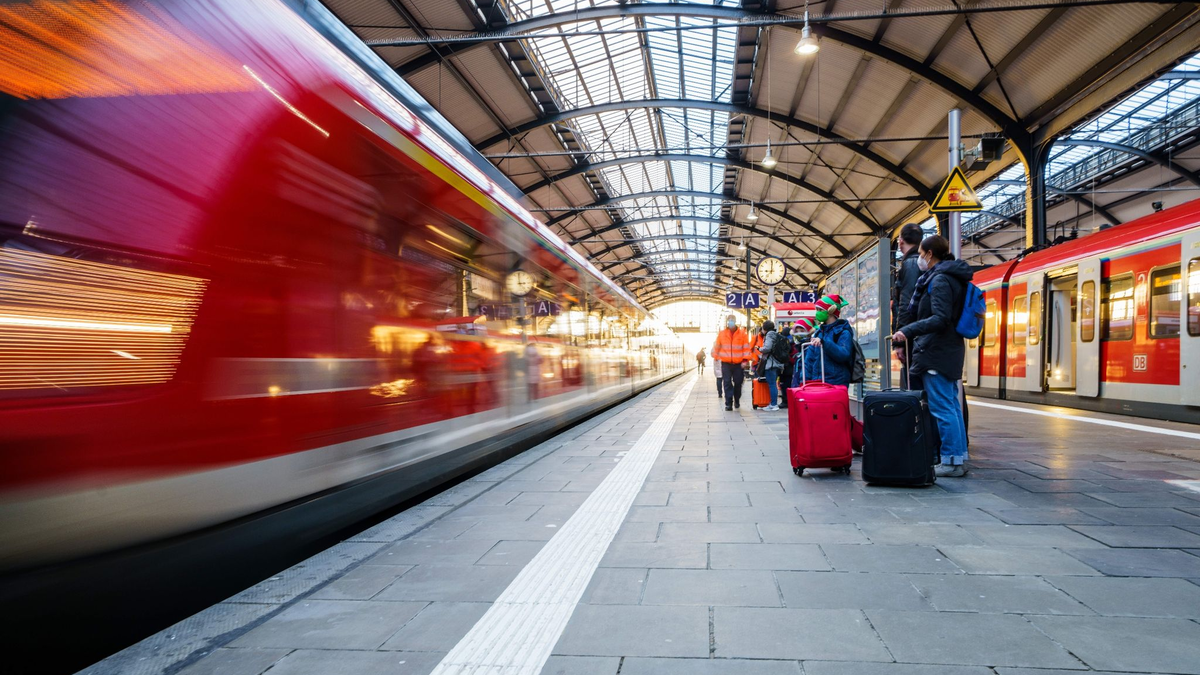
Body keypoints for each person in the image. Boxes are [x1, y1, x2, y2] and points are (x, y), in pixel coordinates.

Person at [891, 234, 973, 477]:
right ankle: (957, 457)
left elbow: (940, 318)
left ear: (929, 254)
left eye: (922, 254)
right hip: (947, 348)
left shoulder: (939, 280)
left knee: (942, 407)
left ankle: (950, 461)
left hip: (937, 350)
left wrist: (907, 330)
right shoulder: (951, 277)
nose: (920, 259)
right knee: (951, 405)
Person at [796, 295, 855, 387]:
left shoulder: (843, 333)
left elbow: (844, 355)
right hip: (817, 382)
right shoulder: (818, 333)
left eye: (820, 310)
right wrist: (803, 381)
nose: (817, 313)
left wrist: (825, 342)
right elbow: (809, 361)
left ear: (831, 311)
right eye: (817, 310)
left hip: (836, 383)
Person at [892, 223, 925, 389]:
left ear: (900, 241)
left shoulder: (911, 264)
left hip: (912, 337)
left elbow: (906, 304)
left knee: (916, 386)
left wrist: (900, 340)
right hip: (918, 334)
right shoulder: (919, 262)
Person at [713, 315, 751, 411]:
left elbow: (746, 348)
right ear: (727, 322)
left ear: (735, 321)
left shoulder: (742, 334)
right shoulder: (722, 334)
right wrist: (716, 356)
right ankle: (728, 403)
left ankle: (737, 399)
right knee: (727, 383)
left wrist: (745, 360)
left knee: (738, 382)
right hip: (726, 363)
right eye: (729, 320)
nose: (730, 322)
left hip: (738, 364)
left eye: (732, 320)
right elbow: (717, 346)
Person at [756, 320, 785, 411]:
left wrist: (760, 348)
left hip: (771, 364)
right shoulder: (776, 334)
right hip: (777, 364)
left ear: (765, 328)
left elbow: (767, 348)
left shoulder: (769, 335)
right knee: (773, 384)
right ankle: (773, 403)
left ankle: (773, 404)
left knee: (772, 384)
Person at [777, 325, 794, 409]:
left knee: (784, 384)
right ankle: (788, 400)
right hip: (790, 366)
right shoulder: (793, 340)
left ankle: (785, 401)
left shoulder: (783, 341)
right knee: (788, 384)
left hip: (785, 367)